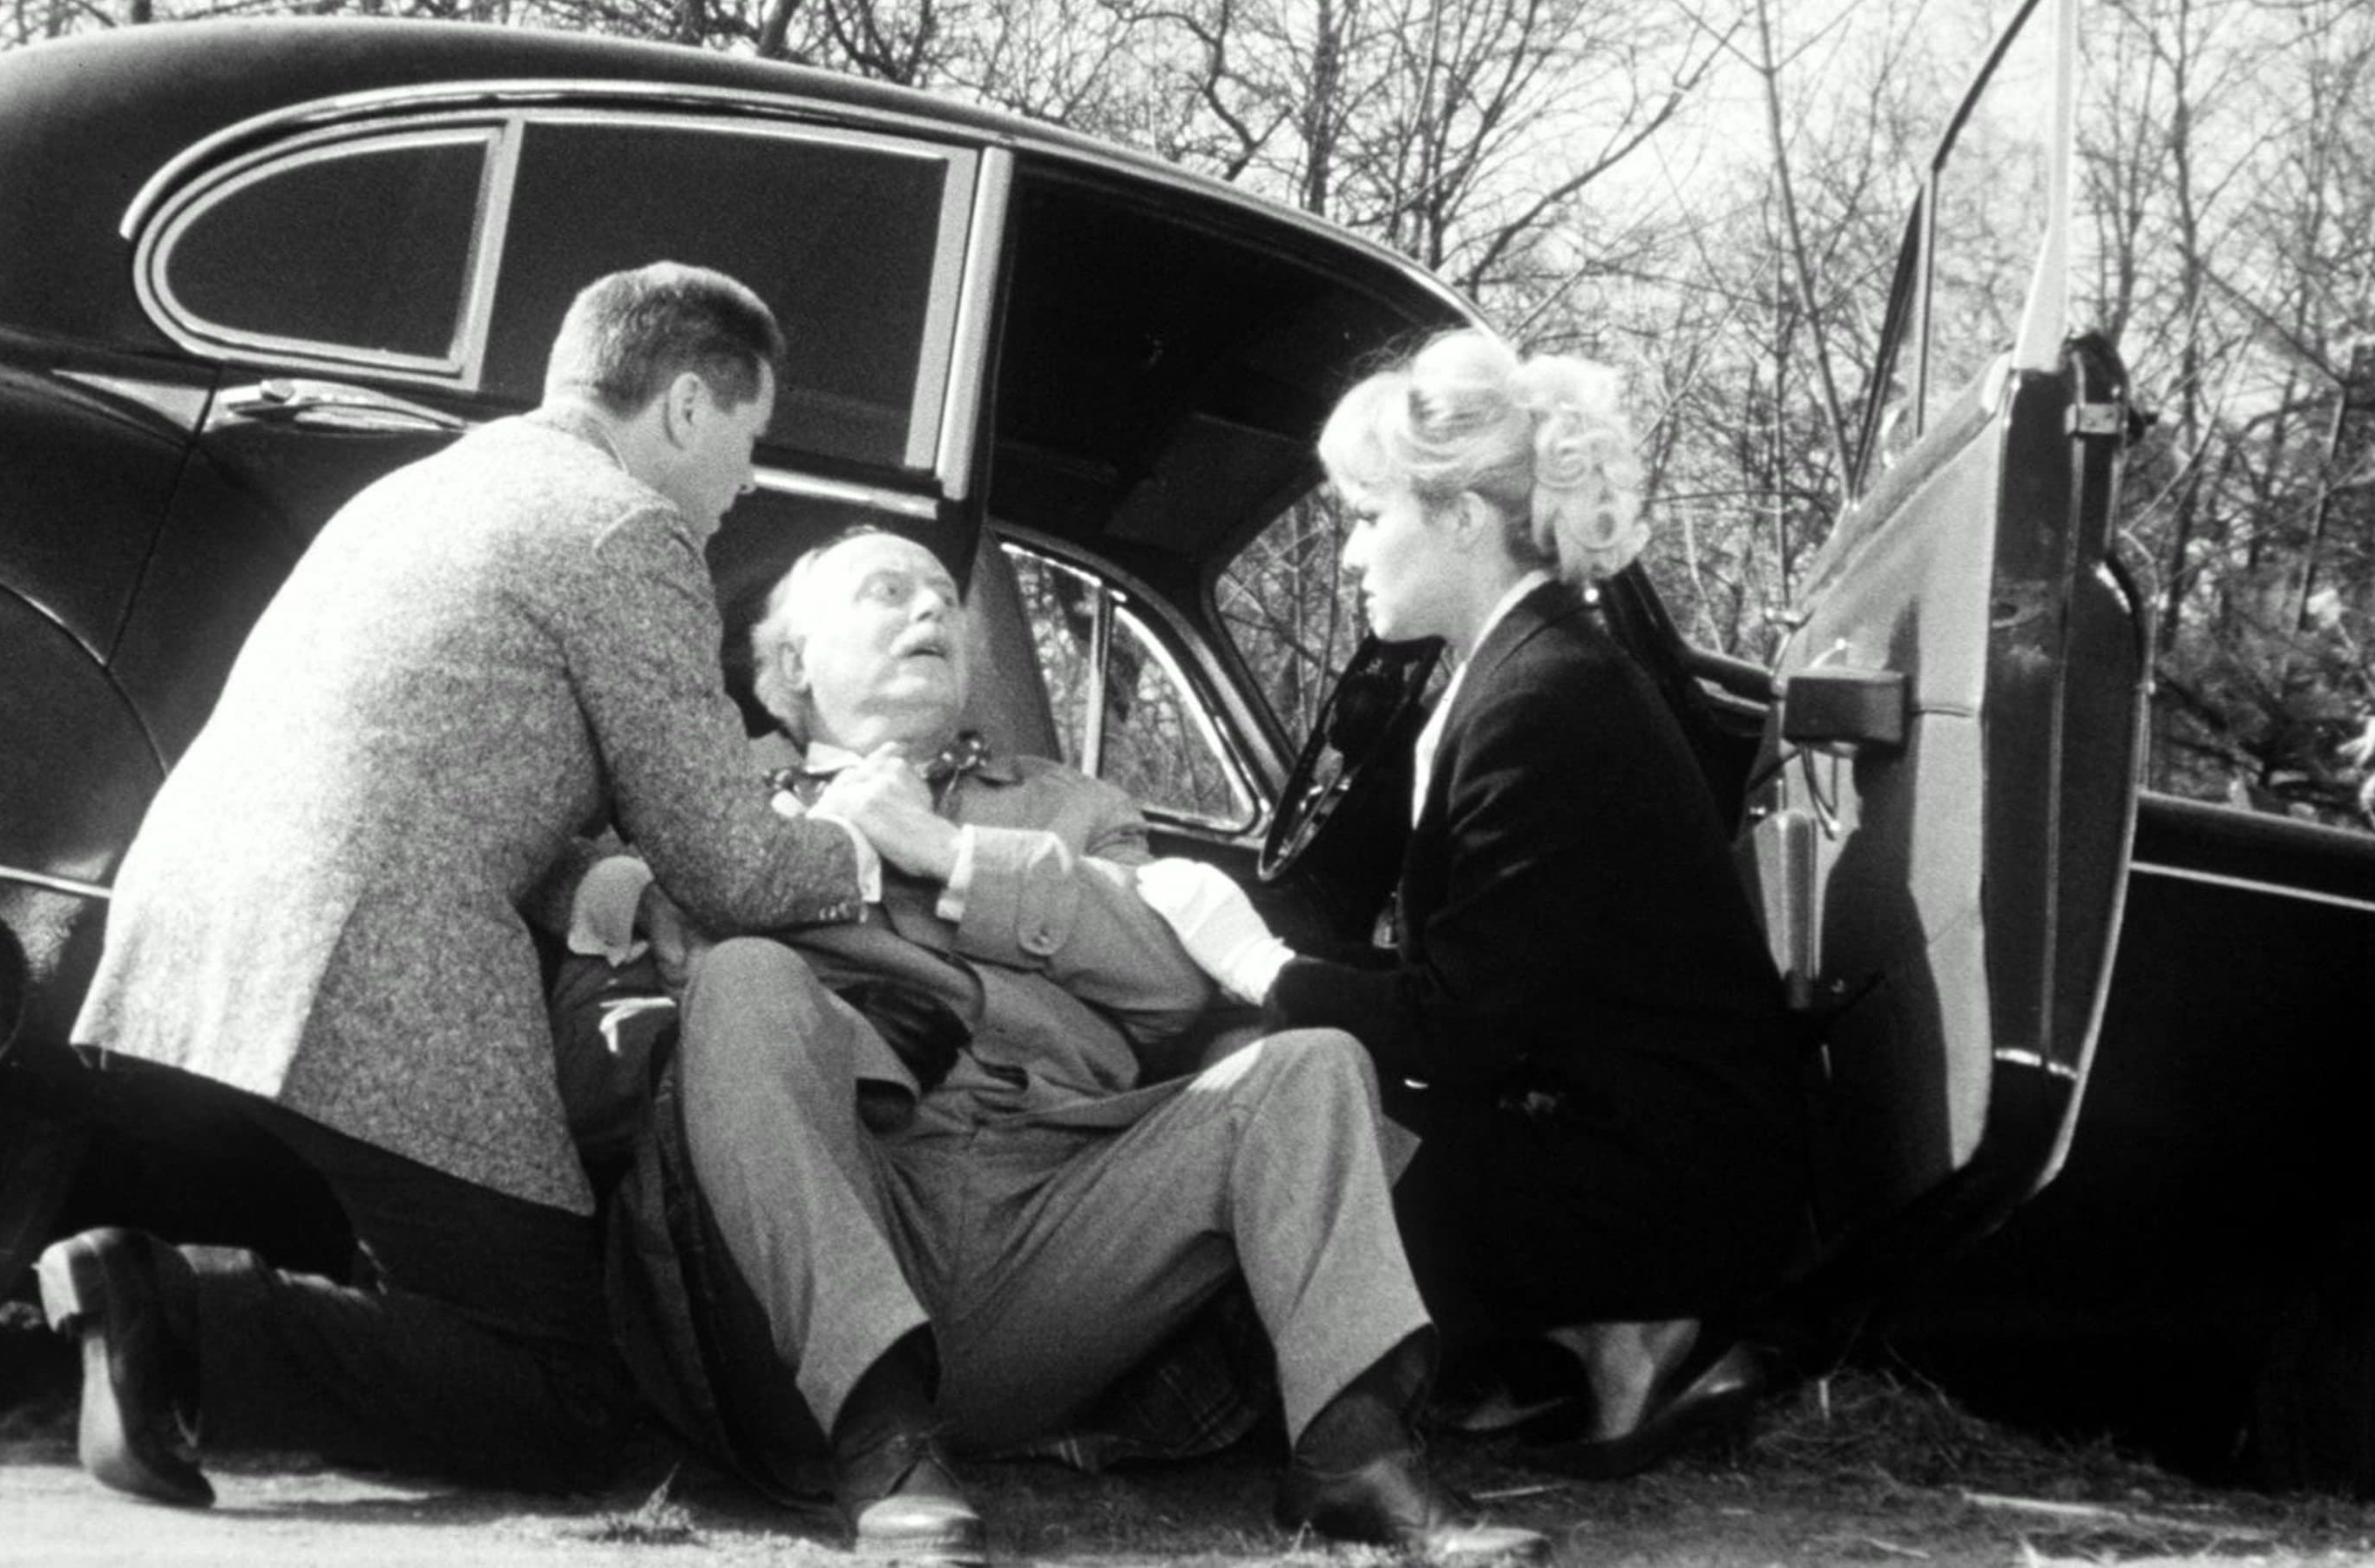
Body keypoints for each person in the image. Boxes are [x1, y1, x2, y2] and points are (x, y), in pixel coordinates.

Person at [39, 263, 888, 1508]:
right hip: (379, 964)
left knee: (464, 1302)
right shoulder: (624, 526)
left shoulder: (420, 489)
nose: (747, 483)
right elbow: (737, 862)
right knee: (576, 1399)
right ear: (691, 408)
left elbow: (447, 756)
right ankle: (177, 1309)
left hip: (198, 924)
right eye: (750, 441)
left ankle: (183, 1321)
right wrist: (868, 842)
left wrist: (606, 887)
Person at [620, 528, 1547, 1566]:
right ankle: (878, 1436)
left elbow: (1161, 984)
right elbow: (629, 964)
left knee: (1311, 1062)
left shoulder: (1076, 808)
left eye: (944, 599)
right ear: (792, 663)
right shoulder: (713, 806)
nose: (932, 612)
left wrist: (947, 855)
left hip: (1059, 1230)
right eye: (889, 592)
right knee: (747, 982)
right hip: (831, 1210)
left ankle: (1351, 1455)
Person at [1147, 329, 1810, 1479]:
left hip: (1657, 1183)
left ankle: (1627, 1318)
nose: (1350, 552)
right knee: (1295, 1116)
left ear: (1459, 516)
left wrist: (1258, 970)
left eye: (1365, 515)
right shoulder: (1514, 673)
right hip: (1622, 1141)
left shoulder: (1546, 700)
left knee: (1296, 1171)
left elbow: (1463, 1025)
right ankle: (1577, 1337)